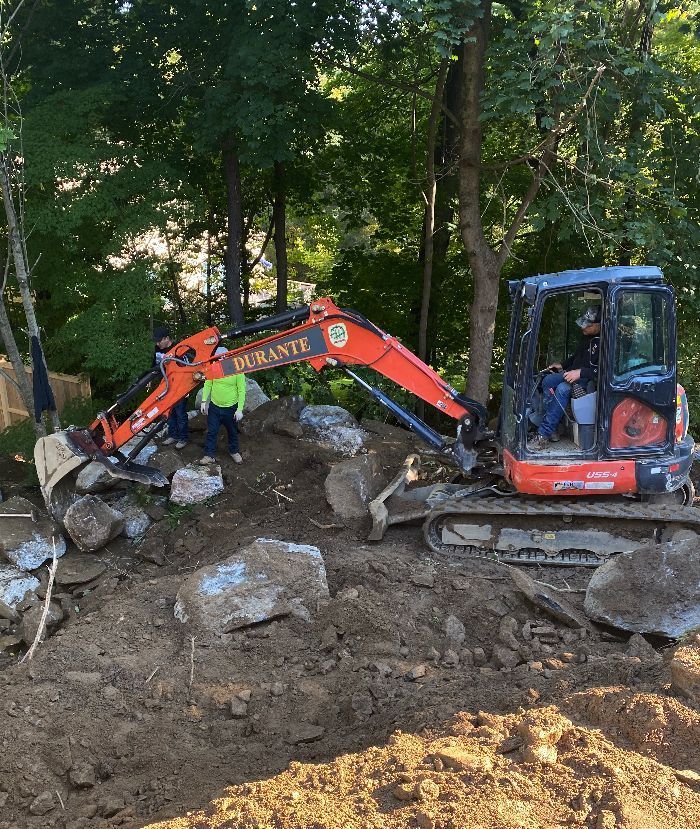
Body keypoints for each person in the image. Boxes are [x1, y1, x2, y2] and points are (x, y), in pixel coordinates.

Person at [528, 305, 601, 451]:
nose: (583, 328)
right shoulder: (587, 338)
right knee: (547, 380)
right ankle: (553, 425)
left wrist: (580, 373)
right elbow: (576, 358)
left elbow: (604, 370)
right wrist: (562, 365)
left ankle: (544, 434)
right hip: (574, 374)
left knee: (562, 389)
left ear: (599, 324)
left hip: (588, 379)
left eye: (587, 325)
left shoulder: (606, 342)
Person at [199, 347, 246, 464]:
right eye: (217, 358)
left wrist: (239, 409)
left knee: (232, 431)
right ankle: (209, 455)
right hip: (215, 407)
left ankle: (234, 451)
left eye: (221, 358)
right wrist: (204, 401)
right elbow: (208, 384)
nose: (219, 360)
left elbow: (242, 390)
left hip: (231, 408)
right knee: (212, 431)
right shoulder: (213, 368)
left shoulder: (237, 369)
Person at [153, 325, 189, 450]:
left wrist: (187, 388)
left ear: (167, 338)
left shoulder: (179, 348)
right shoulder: (157, 349)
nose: (157, 343)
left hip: (179, 387)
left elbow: (187, 368)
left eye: (159, 340)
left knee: (180, 413)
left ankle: (183, 438)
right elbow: (155, 366)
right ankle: (173, 435)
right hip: (165, 386)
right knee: (169, 412)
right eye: (156, 341)